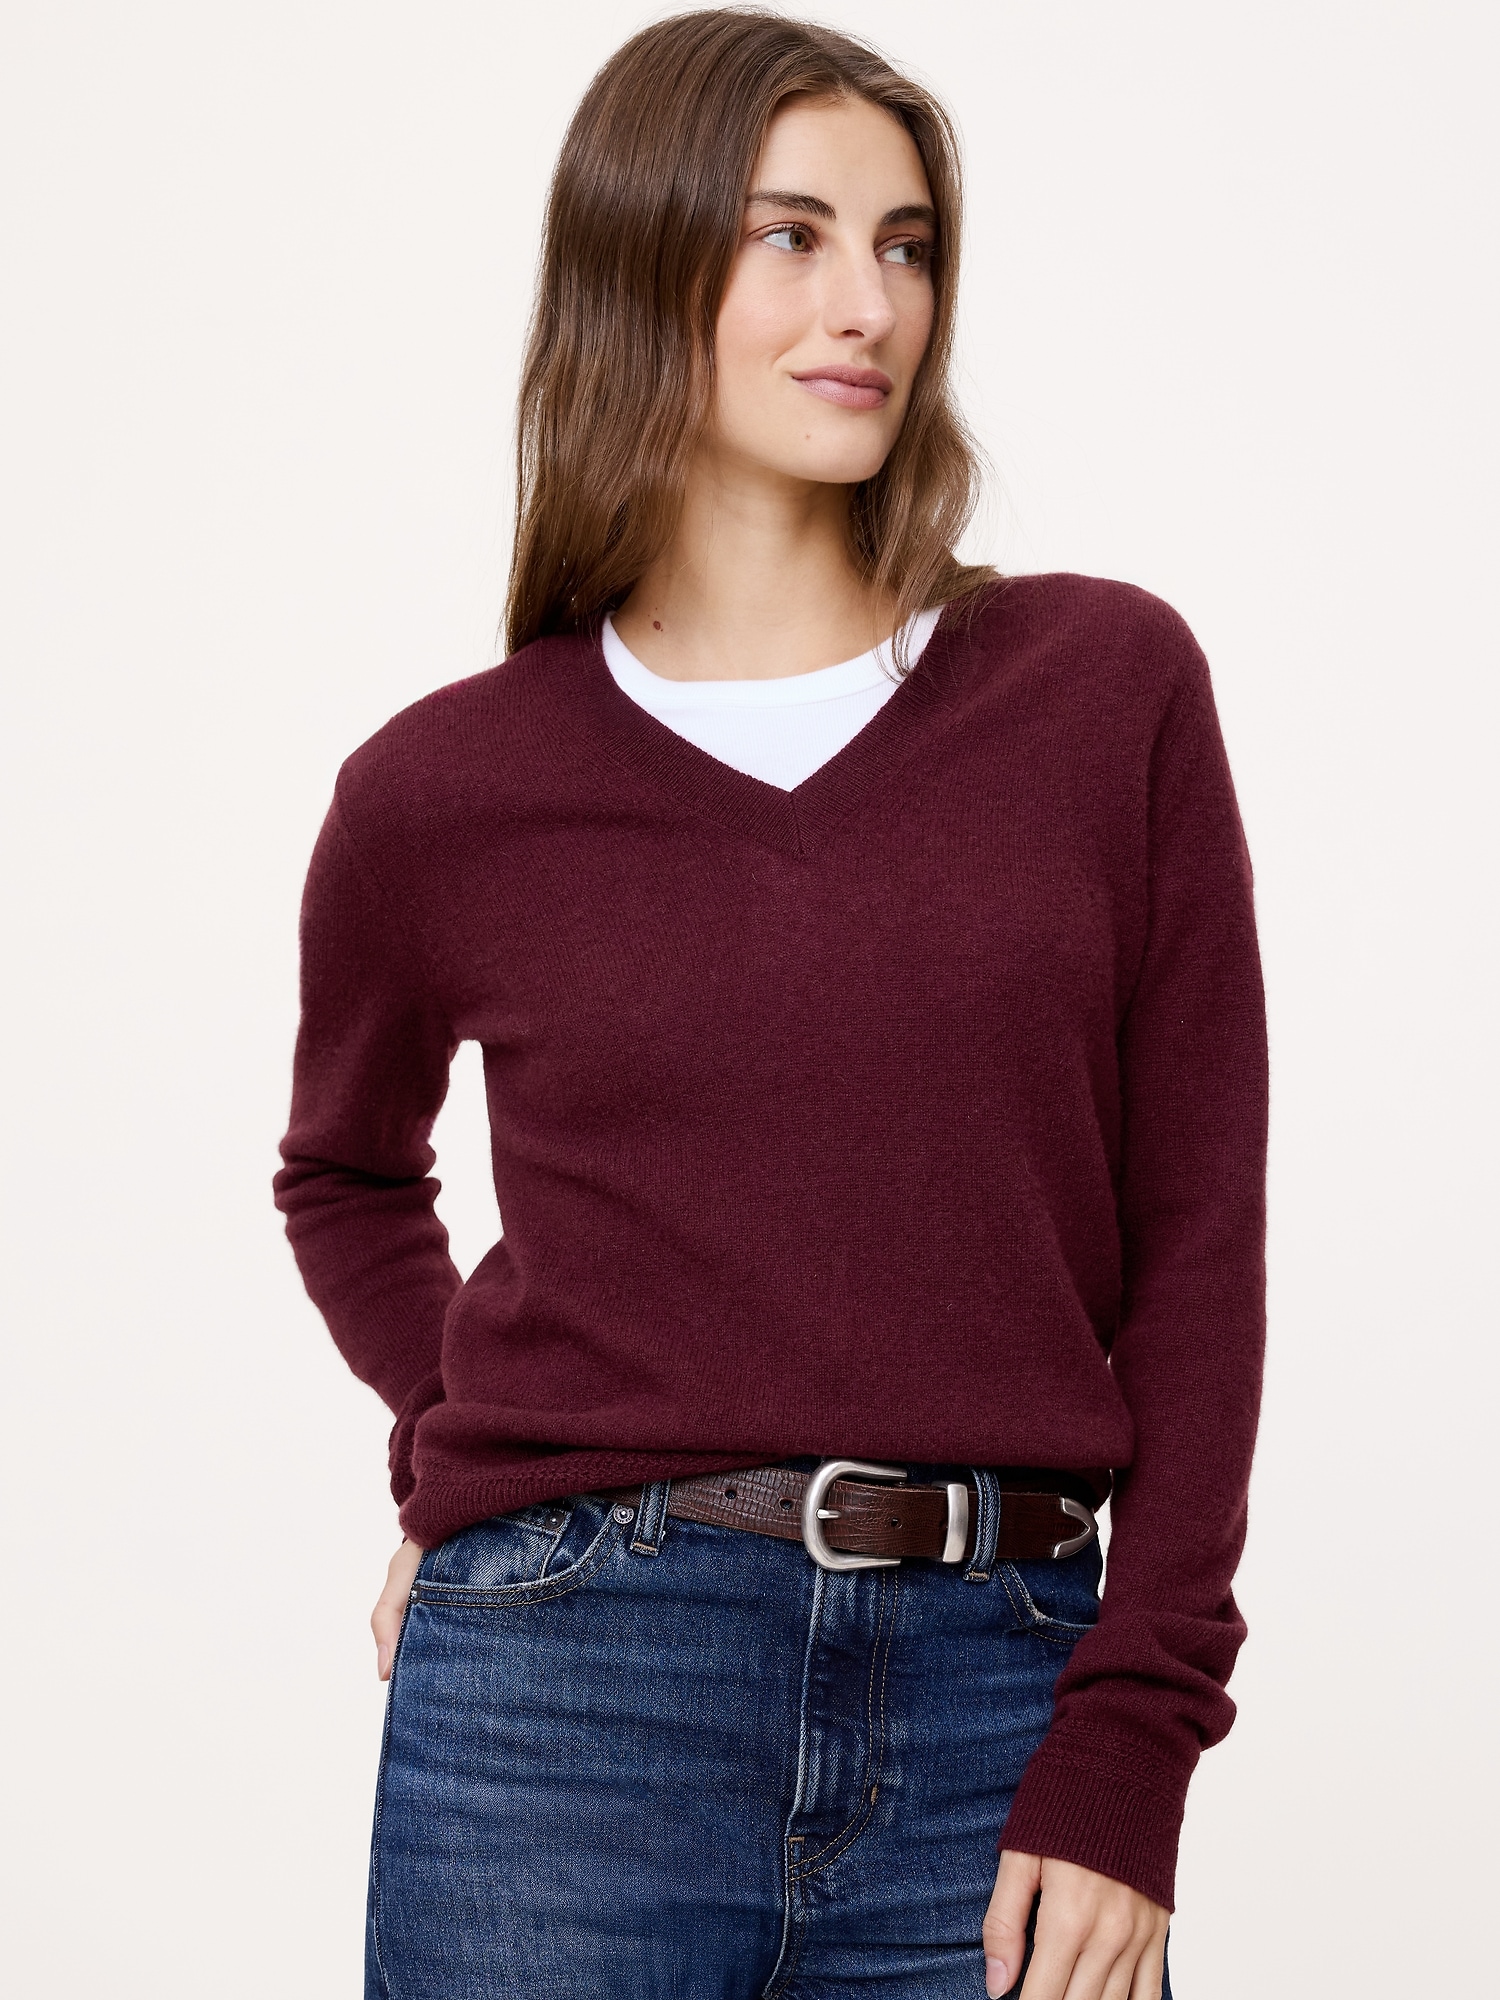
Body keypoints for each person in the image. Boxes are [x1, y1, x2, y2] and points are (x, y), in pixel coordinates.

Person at [274, 12, 1266, 1998]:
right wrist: (473, 1455)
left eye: (906, 247)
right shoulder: (442, 790)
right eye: (792, 237)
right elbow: (345, 1176)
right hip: (566, 1692)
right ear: (641, 268)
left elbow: (1197, 1242)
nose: (868, 305)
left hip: (1003, 1690)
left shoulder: (1104, 692)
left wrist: (1135, 1739)